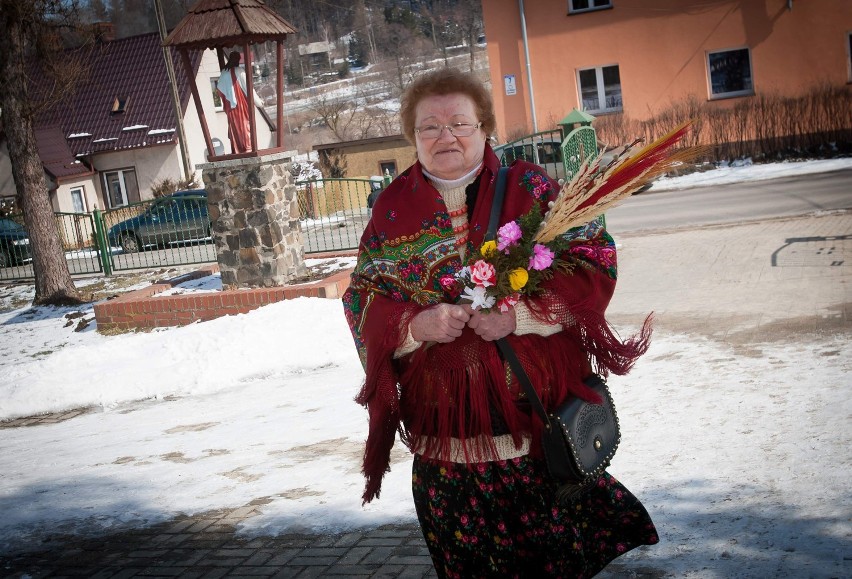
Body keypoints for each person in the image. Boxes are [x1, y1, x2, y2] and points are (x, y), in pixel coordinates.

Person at [342, 68, 658, 578]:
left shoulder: (532, 188)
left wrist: (521, 317)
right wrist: (414, 325)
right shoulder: (389, 210)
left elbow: (594, 262)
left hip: (533, 438)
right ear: (413, 136)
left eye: (459, 123)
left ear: (484, 128)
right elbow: (362, 298)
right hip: (444, 451)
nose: (445, 136)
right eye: (429, 127)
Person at [216, 51, 263, 154]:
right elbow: (249, 89)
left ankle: (237, 149)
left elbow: (220, 90)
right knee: (245, 125)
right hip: (241, 105)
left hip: (230, 107)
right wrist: (258, 102)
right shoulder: (240, 71)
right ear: (236, 60)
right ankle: (248, 147)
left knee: (234, 128)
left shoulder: (224, 73)